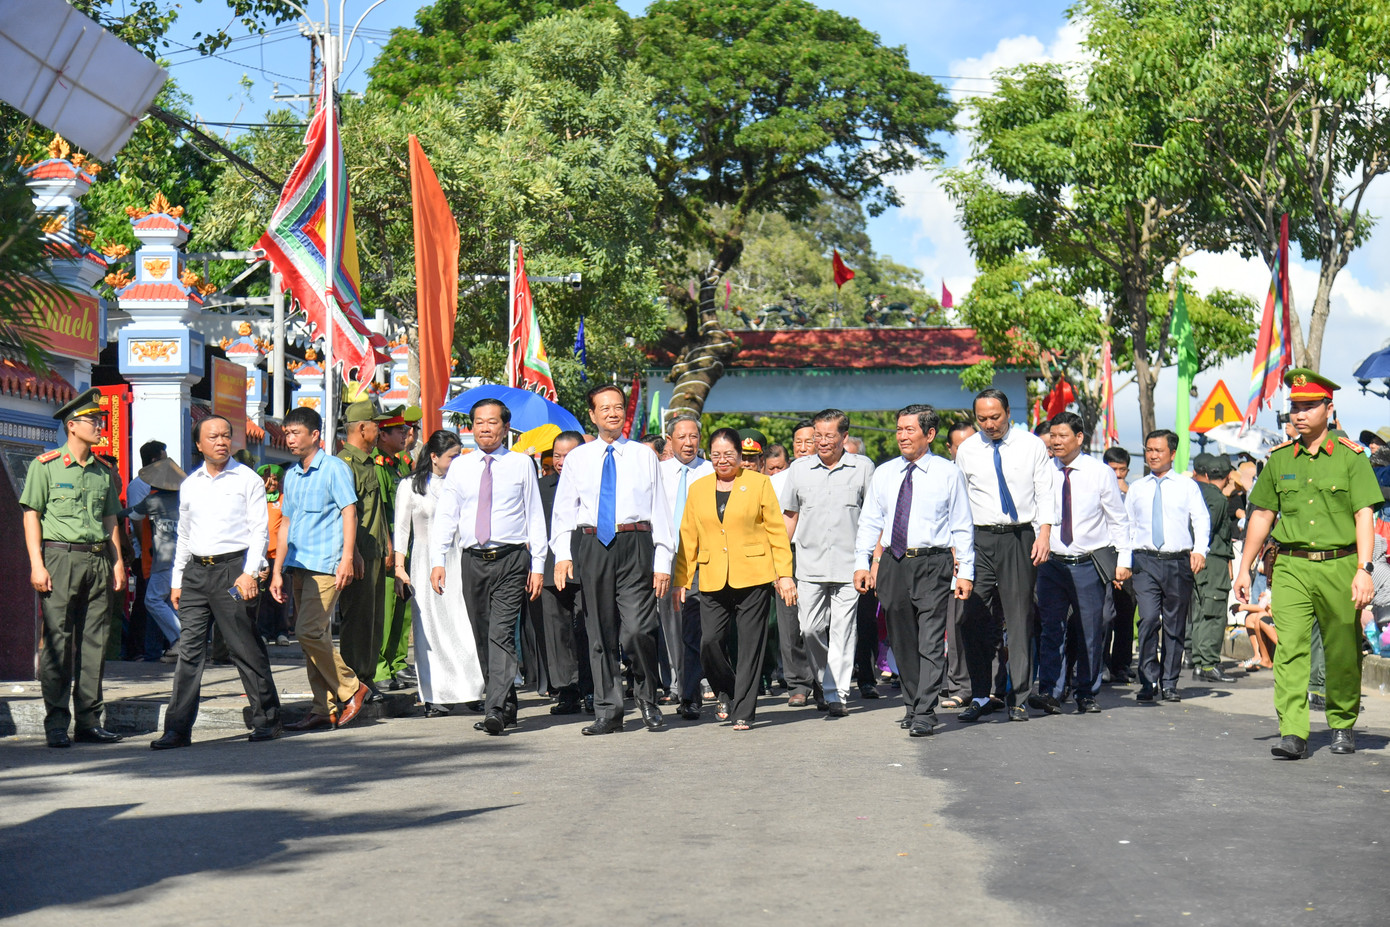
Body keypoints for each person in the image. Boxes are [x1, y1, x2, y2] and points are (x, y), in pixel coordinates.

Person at [1235, 369, 1382, 759]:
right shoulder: (1281, 458)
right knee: (1290, 650)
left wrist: (1364, 569)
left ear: (1328, 409)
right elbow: (1263, 515)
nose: (1298, 415)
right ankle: (1293, 732)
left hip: (1341, 564)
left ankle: (1342, 723)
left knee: (1342, 650)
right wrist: (1244, 567)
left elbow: (1364, 514)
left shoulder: (1352, 457)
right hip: (1292, 566)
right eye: (1294, 408)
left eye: (1307, 406)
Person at [151, 415, 282, 749]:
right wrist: (178, 580)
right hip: (196, 573)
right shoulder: (191, 483)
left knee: (243, 645)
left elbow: (259, 531)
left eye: (226, 435)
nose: (221, 442)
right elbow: (184, 535)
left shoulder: (247, 480)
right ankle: (177, 729)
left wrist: (249, 572)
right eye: (213, 437)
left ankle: (266, 719)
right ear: (199, 444)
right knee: (189, 651)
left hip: (232, 569)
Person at [551, 383, 673, 735]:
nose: (612, 413)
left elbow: (660, 511)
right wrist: (562, 555)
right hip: (592, 546)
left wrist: (663, 561)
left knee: (638, 629)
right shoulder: (578, 458)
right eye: (604, 408)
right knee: (600, 633)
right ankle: (608, 710)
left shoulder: (643, 455)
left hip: (635, 542)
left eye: (618, 406)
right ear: (592, 414)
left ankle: (647, 698)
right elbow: (563, 512)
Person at [854, 404, 974, 737]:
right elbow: (870, 522)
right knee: (902, 638)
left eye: (910, 430)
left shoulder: (948, 473)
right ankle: (912, 702)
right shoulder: (885, 473)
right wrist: (862, 564)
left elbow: (962, 525)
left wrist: (966, 571)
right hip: (893, 562)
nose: (902, 436)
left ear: (930, 434)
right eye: (899, 429)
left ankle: (925, 710)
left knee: (931, 639)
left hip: (933, 562)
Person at [429, 399, 547, 736]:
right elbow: (447, 516)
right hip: (473, 561)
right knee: (483, 636)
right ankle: (506, 701)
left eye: (492, 422)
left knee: (501, 634)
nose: (485, 428)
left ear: (505, 427)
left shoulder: (522, 464)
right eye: (479, 422)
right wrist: (438, 560)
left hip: (511, 559)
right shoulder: (461, 467)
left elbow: (534, 514)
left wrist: (537, 564)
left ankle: (494, 709)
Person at [19, 388, 126, 747]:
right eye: (93, 421)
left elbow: (110, 517)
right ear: (72, 426)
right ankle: (56, 723)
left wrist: (118, 562)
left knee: (95, 643)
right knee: (58, 643)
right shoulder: (45, 465)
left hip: (98, 559)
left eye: (100, 420)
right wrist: (37, 564)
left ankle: (89, 722)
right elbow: (31, 515)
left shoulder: (102, 471)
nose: (100, 426)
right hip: (59, 559)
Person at [673, 428, 796, 730]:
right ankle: (726, 689)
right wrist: (681, 579)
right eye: (716, 455)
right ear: (708, 456)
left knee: (750, 646)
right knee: (710, 642)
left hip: (753, 574)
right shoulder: (699, 488)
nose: (722, 460)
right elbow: (688, 536)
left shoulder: (759, 484)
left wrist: (784, 574)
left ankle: (744, 710)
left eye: (729, 455)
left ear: (741, 456)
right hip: (712, 575)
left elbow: (776, 532)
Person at [954, 389, 1055, 722]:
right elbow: (959, 499)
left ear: (1008, 412)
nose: (989, 424)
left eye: (995, 417)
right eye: (982, 419)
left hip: (1019, 536)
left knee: (1018, 618)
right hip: (978, 539)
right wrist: (957, 545)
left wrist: (1043, 533)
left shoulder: (1031, 446)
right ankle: (981, 694)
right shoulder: (968, 450)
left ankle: (1020, 696)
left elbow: (1045, 490)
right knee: (971, 617)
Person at [269, 406, 369, 731]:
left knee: (308, 631)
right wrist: (277, 570)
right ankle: (321, 707)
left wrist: (348, 557)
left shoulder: (334, 469)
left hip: (327, 564)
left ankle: (352, 688)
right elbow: (285, 523)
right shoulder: (292, 474)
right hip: (299, 563)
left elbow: (349, 513)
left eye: (296, 433)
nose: (290, 439)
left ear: (315, 435)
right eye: (287, 433)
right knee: (316, 636)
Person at [1031, 413, 1131, 715]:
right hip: (1050, 564)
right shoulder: (1043, 471)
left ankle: (1086, 692)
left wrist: (1124, 560)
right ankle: (1051, 690)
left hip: (1087, 563)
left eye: (1063, 436)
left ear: (1079, 438)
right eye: (1053, 436)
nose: (1056, 441)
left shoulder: (1099, 472)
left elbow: (1117, 517)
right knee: (1051, 628)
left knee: (1091, 628)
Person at [782, 408, 876, 716]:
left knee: (843, 631)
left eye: (829, 436)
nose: (822, 442)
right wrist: (781, 565)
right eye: (817, 435)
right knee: (809, 629)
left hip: (850, 566)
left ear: (844, 437)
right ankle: (824, 682)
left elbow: (873, 519)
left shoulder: (862, 468)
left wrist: (873, 562)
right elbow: (790, 516)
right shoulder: (799, 469)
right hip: (809, 565)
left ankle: (837, 694)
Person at [395, 429, 484, 716]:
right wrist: (399, 568)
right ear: (434, 456)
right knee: (430, 628)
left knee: (464, 624)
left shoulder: (463, 483)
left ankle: (472, 690)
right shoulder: (410, 486)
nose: (457, 461)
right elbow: (401, 531)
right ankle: (435, 695)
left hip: (459, 558)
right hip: (423, 561)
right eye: (452, 456)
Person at [1122, 430, 1209, 702]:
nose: (1152, 455)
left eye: (1158, 450)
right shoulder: (1137, 488)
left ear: (1172, 454)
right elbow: (1127, 527)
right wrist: (1124, 562)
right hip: (1145, 562)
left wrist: (1199, 550)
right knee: (1147, 619)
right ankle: (1147, 681)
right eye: (1149, 450)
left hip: (1177, 562)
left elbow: (1201, 519)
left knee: (1174, 624)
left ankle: (1169, 682)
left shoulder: (1187, 486)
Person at [337, 400, 395, 701]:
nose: (379, 429)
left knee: (373, 620)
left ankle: (367, 677)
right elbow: (346, 513)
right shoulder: (344, 464)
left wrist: (386, 543)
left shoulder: (370, 462)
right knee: (357, 621)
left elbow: (376, 511)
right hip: (358, 554)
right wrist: (353, 553)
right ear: (362, 428)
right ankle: (353, 680)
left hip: (374, 551)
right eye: (376, 424)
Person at [658, 413, 713, 720]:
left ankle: (695, 688)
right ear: (670, 440)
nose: (689, 443)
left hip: (702, 560)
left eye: (693, 437)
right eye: (682, 437)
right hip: (666, 559)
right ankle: (681, 685)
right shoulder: (658, 470)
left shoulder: (710, 471)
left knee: (699, 626)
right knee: (671, 626)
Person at [537, 431, 591, 716]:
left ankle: (591, 688)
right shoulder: (540, 486)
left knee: (586, 629)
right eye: (557, 455)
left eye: (567, 455)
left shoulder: (592, 485)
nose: (561, 461)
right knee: (557, 633)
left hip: (586, 566)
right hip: (550, 569)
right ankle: (566, 691)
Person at [770, 419, 816, 706]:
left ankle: (824, 679)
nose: (803, 447)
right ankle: (797, 682)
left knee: (817, 623)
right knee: (789, 623)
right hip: (788, 554)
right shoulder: (775, 481)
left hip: (820, 555)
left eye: (808, 441)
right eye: (798, 441)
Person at [120, 457, 183, 663]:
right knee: (169, 602)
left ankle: (183, 638)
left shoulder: (152, 501)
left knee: (152, 600)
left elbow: (133, 515)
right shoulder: (183, 500)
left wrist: (112, 514)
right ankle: (177, 643)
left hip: (162, 560)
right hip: (182, 559)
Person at [376, 406, 420, 690]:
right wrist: (391, 548)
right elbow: (381, 511)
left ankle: (398, 661)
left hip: (407, 547)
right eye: (401, 431)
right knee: (386, 610)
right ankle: (381, 667)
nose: (407, 434)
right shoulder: (379, 466)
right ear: (384, 434)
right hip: (389, 549)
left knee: (403, 607)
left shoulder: (400, 464)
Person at [940, 419, 978, 708]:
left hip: (988, 557)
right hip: (953, 561)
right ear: (950, 449)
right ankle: (959, 685)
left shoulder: (987, 472)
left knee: (986, 624)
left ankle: (988, 686)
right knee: (956, 625)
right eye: (960, 446)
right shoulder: (942, 476)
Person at [1189, 454, 1237, 684]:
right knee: (1215, 612)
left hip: (1200, 559)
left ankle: (1199, 661)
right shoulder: (1217, 499)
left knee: (1200, 610)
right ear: (1228, 477)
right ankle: (1208, 662)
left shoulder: (1197, 492)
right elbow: (1208, 532)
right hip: (1213, 559)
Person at [125, 439, 166, 661]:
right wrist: (146, 550)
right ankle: (137, 649)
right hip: (145, 554)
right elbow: (138, 521)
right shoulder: (140, 485)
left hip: (159, 553)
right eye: (163, 457)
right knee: (143, 603)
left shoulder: (160, 483)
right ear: (154, 460)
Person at [1102, 445, 1136, 683]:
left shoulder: (1133, 492)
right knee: (1103, 617)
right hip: (1104, 557)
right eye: (1112, 469)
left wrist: (1128, 494)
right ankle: (1100, 664)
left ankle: (1121, 665)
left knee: (1125, 615)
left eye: (1122, 470)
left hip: (1128, 560)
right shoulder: (1097, 489)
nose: (1117, 475)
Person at [255, 465, 292, 647]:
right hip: (260, 556)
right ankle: (263, 631)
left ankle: (281, 632)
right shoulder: (256, 499)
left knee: (281, 594)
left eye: (276, 479)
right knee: (262, 597)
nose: (273, 483)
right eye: (268, 479)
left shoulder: (284, 500)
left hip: (279, 556)